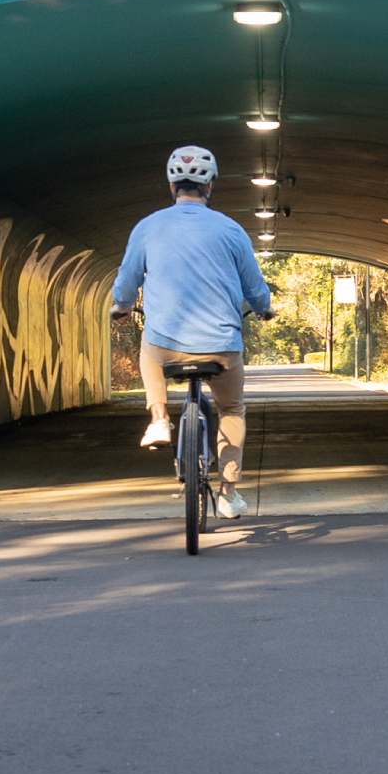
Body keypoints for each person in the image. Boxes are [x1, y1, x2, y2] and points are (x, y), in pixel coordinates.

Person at [111, 144, 273, 521]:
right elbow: (255, 288)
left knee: (148, 349)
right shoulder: (231, 230)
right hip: (222, 348)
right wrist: (264, 309)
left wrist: (120, 307)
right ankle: (228, 492)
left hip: (166, 346)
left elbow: (126, 284)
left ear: (171, 186)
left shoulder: (148, 226)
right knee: (232, 408)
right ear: (211, 186)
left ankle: (158, 419)